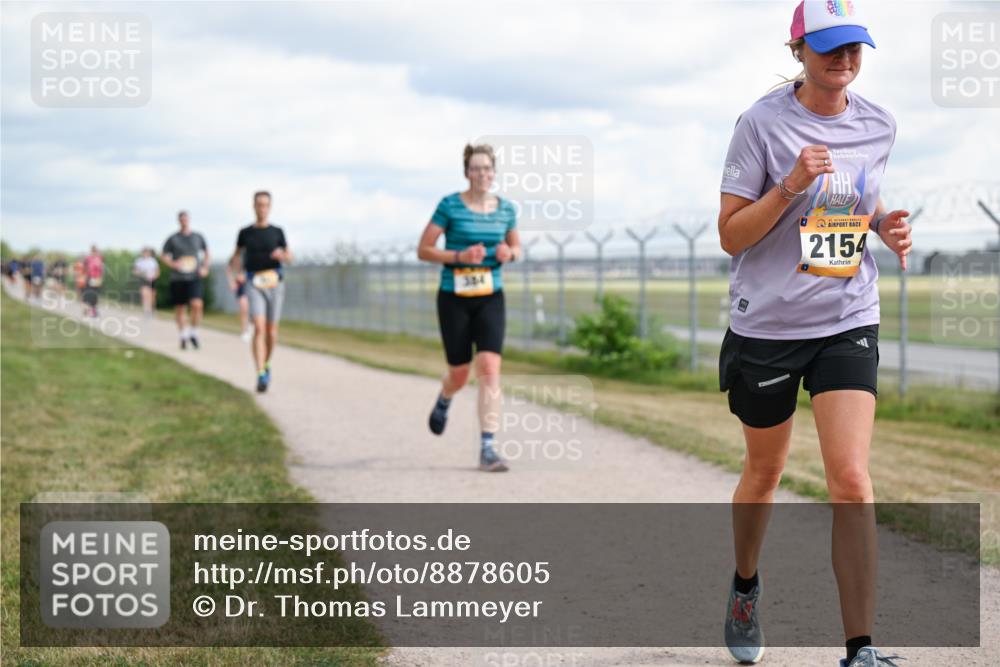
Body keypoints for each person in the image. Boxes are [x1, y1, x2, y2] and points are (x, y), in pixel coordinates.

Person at [716, 2, 912, 666]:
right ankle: (746, 584)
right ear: (798, 48)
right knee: (765, 471)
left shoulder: (879, 124)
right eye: (829, 46)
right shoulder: (761, 124)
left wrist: (885, 226)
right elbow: (730, 235)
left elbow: (862, 196)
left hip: (845, 316)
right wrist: (790, 185)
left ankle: (860, 646)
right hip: (768, 324)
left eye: (855, 46)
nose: (845, 58)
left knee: (852, 478)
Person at [416, 143, 521, 473]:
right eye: (476, 168)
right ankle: (445, 397)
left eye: (488, 168)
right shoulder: (449, 206)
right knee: (460, 373)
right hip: (454, 297)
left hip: (491, 294)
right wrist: (459, 257)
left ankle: (488, 448)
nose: (482, 174)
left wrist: (509, 253)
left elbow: (517, 246)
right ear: (466, 173)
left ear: (494, 173)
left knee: (489, 367)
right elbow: (424, 249)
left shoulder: (506, 209)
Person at [229, 191, 291, 393]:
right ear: (253, 206)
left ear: (270, 207)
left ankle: (266, 362)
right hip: (253, 282)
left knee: (272, 332)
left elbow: (290, 256)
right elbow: (235, 257)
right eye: (259, 204)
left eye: (265, 205)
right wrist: (237, 274)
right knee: (259, 327)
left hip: (274, 282)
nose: (262, 208)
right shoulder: (245, 233)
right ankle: (261, 373)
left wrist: (282, 254)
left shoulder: (277, 232)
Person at [161, 211, 210, 349]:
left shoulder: (198, 237)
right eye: (181, 219)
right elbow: (164, 255)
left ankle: (193, 332)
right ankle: (183, 336)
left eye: (186, 219)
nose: (184, 221)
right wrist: (173, 264)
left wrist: (205, 267)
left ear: (189, 220)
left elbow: (207, 253)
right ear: (179, 221)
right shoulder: (173, 238)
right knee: (180, 308)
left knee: (197, 304)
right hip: (178, 277)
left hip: (194, 276)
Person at [225, 254, 253, 342]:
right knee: (243, 307)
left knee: (252, 308)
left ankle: (251, 324)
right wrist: (231, 282)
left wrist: (245, 276)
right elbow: (229, 269)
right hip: (240, 285)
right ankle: (245, 330)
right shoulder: (235, 256)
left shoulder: (249, 256)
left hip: (251, 283)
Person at [132, 247, 160, 318]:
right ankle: (146, 310)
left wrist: (155, 277)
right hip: (143, 279)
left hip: (152, 279)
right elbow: (135, 271)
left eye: (147, 252)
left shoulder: (153, 261)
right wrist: (141, 273)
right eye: (144, 252)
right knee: (144, 295)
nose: (146, 254)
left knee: (152, 296)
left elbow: (157, 271)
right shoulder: (139, 261)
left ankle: (152, 310)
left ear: (149, 253)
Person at [81, 246, 104, 318]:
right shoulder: (88, 259)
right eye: (93, 251)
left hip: (97, 279)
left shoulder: (99, 258)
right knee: (88, 295)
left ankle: (93, 311)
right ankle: (87, 309)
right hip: (90, 278)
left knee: (95, 295)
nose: (94, 252)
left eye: (95, 251)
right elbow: (84, 268)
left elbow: (101, 269)